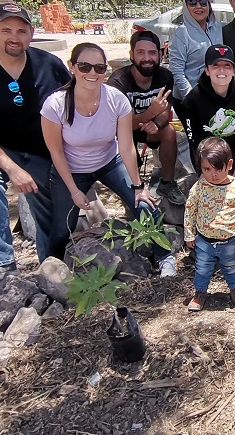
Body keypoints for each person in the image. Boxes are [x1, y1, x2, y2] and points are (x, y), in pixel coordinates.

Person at [0, 2, 71, 284]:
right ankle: (0, 261)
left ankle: (51, 265)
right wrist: (13, 169)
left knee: (52, 200)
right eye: (6, 30)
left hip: (38, 150)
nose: (14, 37)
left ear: (31, 33)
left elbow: (71, 110)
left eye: (21, 30)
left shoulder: (49, 65)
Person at [41, 43, 176, 276]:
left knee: (144, 205)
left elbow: (125, 146)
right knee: (62, 227)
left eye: (99, 68)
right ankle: (51, 271)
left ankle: (165, 257)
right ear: (72, 67)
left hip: (109, 161)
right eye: (84, 66)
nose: (92, 73)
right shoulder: (56, 104)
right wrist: (74, 191)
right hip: (72, 169)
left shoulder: (116, 99)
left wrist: (137, 186)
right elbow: (56, 153)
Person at [107, 30, 185, 206]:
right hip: (124, 132)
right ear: (131, 55)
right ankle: (134, 187)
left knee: (169, 131)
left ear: (159, 54)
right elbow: (121, 125)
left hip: (150, 127)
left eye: (151, 53)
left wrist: (156, 123)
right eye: (140, 52)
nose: (147, 58)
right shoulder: (118, 82)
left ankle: (167, 183)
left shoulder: (165, 76)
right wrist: (150, 113)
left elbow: (166, 111)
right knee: (124, 143)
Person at [184, 137, 235, 312]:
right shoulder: (199, 187)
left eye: (219, 169)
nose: (213, 174)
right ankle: (200, 293)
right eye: (207, 169)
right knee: (202, 268)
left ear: (230, 164)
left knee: (231, 267)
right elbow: (190, 209)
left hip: (230, 240)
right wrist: (189, 234)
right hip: (204, 240)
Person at [182, 44, 235, 175]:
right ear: (207, 70)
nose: (222, 71)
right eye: (216, 65)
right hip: (208, 156)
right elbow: (195, 140)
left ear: (233, 70)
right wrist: (206, 168)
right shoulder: (192, 100)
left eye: (227, 66)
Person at [169, 0, 223, 105]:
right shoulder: (181, 33)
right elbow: (177, 71)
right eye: (192, 3)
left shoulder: (219, 29)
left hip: (215, 96)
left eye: (203, 3)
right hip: (191, 99)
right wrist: (191, 98)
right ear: (186, 7)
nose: (198, 6)